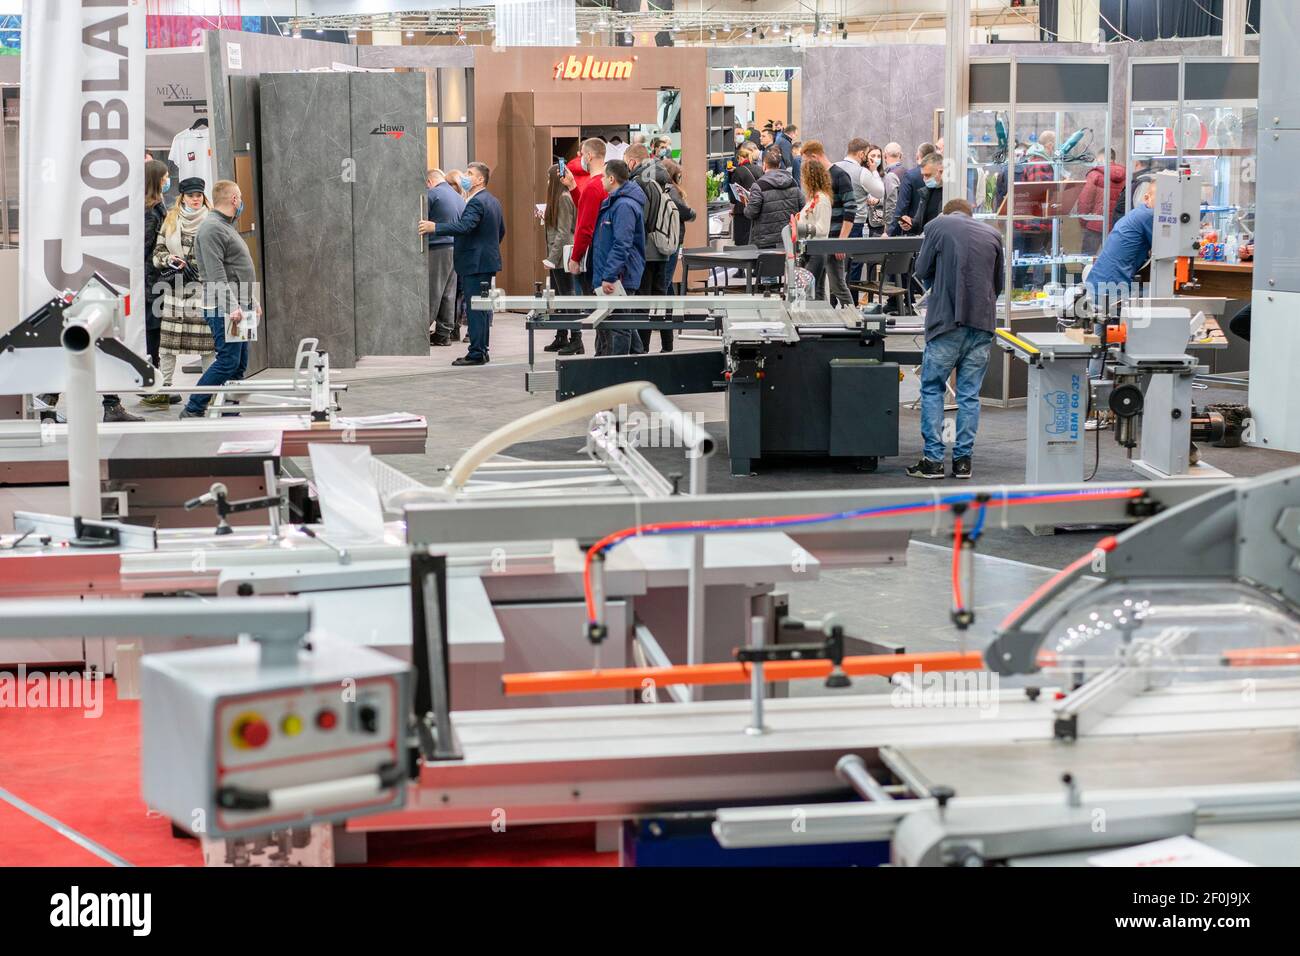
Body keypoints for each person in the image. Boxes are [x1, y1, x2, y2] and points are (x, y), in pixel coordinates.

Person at [907, 199, 1004, 480]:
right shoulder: (993, 234)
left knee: (933, 388)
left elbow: (921, 270)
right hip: (982, 324)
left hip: (947, 324)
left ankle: (934, 461)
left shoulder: (937, 225)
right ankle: (963, 462)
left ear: (946, 212)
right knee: (969, 395)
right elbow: (996, 285)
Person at [180, 179, 258, 419]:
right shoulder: (212, 228)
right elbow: (216, 276)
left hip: (237, 305)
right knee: (227, 361)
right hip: (223, 307)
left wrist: (251, 301)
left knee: (239, 363)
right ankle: (194, 408)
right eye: (241, 196)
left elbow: (235, 268)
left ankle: (229, 412)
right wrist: (233, 307)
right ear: (234, 199)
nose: (242, 201)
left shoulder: (225, 225)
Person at [421, 162, 505, 367]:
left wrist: (435, 227)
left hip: (474, 263)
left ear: (480, 180)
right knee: (482, 309)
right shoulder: (492, 201)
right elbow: (500, 231)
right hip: (485, 261)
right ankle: (481, 350)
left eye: (470, 174)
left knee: (477, 309)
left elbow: (464, 226)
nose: (465, 177)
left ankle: (476, 353)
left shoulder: (477, 202)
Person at [144, 177, 212, 407]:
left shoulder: (212, 220)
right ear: (182, 197)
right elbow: (157, 253)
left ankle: (209, 391)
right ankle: (165, 388)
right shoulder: (171, 219)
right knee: (168, 343)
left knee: (207, 344)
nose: (195, 199)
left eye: (199, 195)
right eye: (191, 195)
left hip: (202, 289)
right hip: (175, 289)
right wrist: (169, 259)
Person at [1082, 181, 1157, 380]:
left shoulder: (1136, 215)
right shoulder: (1148, 216)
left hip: (1102, 282)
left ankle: (1094, 389)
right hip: (1112, 286)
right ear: (1147, 198)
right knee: (1109, 342)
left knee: (1101, 342)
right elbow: (1167, 247)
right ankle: (1101, 391)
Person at [590, 159, 647, 357]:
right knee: (621, 323)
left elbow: (622, 243)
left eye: (604, 176)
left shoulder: (623, 206)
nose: (601, 181)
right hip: (611, 273)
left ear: (612, 179)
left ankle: (618, 370)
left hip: (619, 277)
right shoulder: (613, 202)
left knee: (619, 325)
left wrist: (610, 275)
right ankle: (637, 362)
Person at [625, 144, 674, 352]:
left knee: (643, 300)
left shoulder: (640, 181)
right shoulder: (662, 176)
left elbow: (640, 218)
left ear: (633, 162)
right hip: (663, 247)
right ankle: (667, 345)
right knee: (660, 297)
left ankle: (642, 348)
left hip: (646, 250)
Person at [800, 140, 855, 306]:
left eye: (806, 161)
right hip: (819, 242)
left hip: (833, 239)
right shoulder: (818, 184)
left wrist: (841, 241)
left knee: (837, 285)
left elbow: (851, 210)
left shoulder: (839, 175)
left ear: (814, 157)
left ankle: (853, 317)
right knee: (817, 285)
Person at [420, 168, 466, 347]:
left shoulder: (432, 195)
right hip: (456, 249)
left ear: (429, 182)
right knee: (449, 293)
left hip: (437, 248)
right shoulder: (458, 197)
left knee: (433, 290)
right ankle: (443, 334)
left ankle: (420, 333)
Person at [568, 138, 609, 326]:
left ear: (589, 156)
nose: (580, 158)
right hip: (607, 251)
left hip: (597, 254)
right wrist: (573, 188)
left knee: (602, 313)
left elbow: (585, 226)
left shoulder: (593, 187)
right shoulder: (606, 184)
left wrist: (575, 257)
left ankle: (606, 354)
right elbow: (586, 209)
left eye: (582, 154)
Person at [542, 161, 580, 354]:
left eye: (549, 179)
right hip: (558, 256)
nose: (548, 183)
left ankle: (576, 339)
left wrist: (552, 256)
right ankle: (562, 335)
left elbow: (564, 232)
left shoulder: (564, 198)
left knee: (568, 296)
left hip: (563, 256)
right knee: (559, 297)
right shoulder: (558, 199)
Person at [1012, 138, 1055, 289]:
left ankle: (1019, 287)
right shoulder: (1040, 165)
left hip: (1028, 219)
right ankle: (1035, 287)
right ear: (1048, 146)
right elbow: (1040, 192)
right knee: (1037, 254)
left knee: (1024, 254)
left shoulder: (1033, 163)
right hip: (1036, 220)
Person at [741, 147, 803, 250]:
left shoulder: (758, 186)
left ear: (764, 165)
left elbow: (751, 213)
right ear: (779, 165)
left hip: (765, 240)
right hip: (788, 237)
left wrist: (747, 205)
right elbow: (802, 206)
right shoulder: (793, 183)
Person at [1075, 148, 1126, 258]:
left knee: (1087, 257)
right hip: (1117, 225)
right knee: (1112, 258)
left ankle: (1088, 276)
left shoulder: (1094, 175)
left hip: (1095, 225)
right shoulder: (1125, 175)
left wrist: (1083, 221)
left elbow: (1085, 201)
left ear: (1102, 158)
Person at [143, 159, 170, 370]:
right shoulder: (151, 213)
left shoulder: (157, 208)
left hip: (155, 279)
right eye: (165, 177)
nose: (168, 181)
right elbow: (145, 249)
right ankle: (152, 373)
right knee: (152, 329)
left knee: (155, 329)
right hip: (150, 280)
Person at [888, 151, 943, 237]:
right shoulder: (926, 192)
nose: (925, 179)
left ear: (941, 172)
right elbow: (918, 223)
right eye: (923, 175)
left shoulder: (950, 194)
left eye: (928, 175)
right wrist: (910, 223)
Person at [729, 141, 760, 246]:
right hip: (756, 209)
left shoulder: (738, 171)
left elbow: (734, 196)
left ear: (740, 158)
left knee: (742, 241)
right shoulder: (759, 169)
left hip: (742, 211)